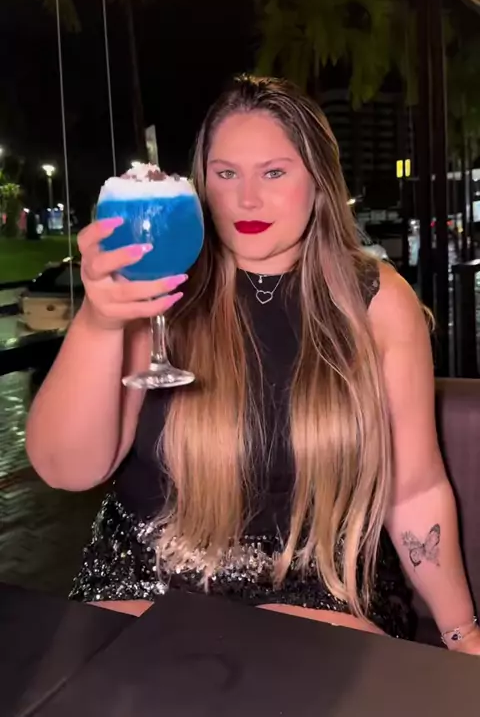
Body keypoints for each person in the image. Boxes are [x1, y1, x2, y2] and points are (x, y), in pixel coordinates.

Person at [26, 75, 480, 652]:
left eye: (273, 173)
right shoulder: (159, 288)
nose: (246, 199)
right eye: (225, 174)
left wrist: (462, 632)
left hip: (321, 589)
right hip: (144, 579)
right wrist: (99, 320)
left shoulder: (377, 301)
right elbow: (68, 470)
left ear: (318, 180)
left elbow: (413, 490)